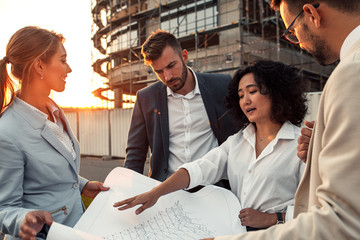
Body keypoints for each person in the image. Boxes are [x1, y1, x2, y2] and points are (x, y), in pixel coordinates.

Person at [205, 0, 360, 239]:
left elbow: (341, 222)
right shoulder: (238, 141)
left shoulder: (350, 74)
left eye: (292, 31)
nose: (297, 43)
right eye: (241, 94)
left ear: (311, 14)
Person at [114, 60, 307, 231]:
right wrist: (156, 192)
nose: (245, 101)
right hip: (237, 232)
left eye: (253, 91)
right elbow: (200, 168)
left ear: (277, 93)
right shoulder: (237, 142)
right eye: (240, 95)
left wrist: (274, 219)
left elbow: (322, 208)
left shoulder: (302, 144)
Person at [0, 26, 109, 240]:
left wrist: (83, 184)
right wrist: (22, 219)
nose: (68, 69)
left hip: (74, 230)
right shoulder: (7, 132)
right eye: (63, 60)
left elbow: (46, 172)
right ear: (40, 66)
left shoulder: (54, 111)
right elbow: (4, 207)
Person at [124, 30, 236, 184]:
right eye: (159, 72)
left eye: (171, 66)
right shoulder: (146, 98)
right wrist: (127, 190)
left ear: (184, 56)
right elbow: (135, 154)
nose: (167, 76)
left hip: (215, 189)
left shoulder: (222, 85)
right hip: (167, 192)